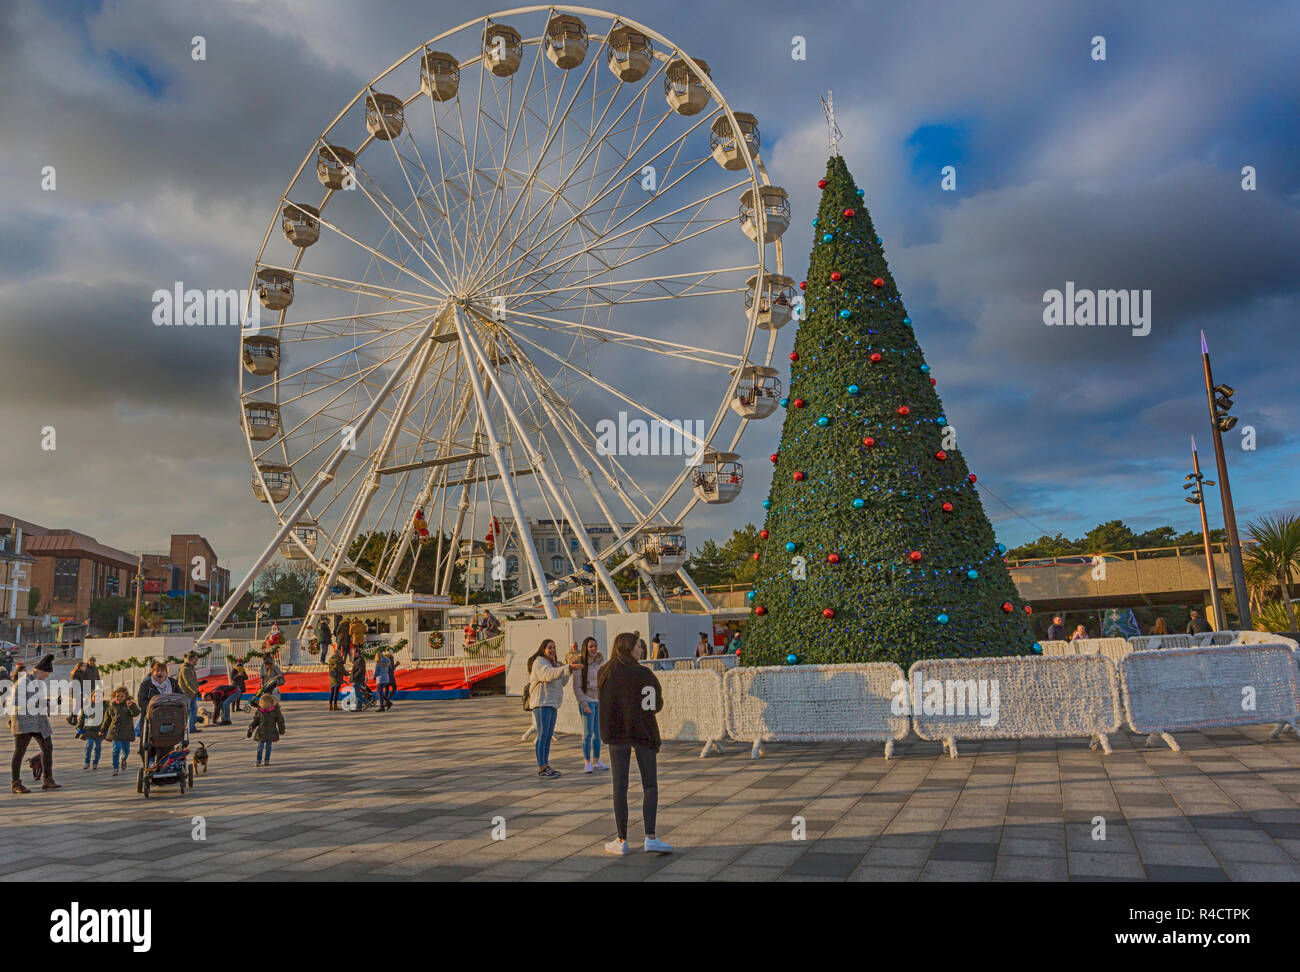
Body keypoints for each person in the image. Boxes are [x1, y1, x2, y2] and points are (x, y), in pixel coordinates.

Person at [598, 634, 672, 856]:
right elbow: (656, 704)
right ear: (629, 648)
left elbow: (604, 705)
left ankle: (621, 840)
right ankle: (650, 837)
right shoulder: (645, 673)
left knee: (619, 786)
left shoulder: (606, 673)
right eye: (639, 647)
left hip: (617, 734)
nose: (642, 650)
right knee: (650, 784)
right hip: (644, 732)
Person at [526, 639, 579, 779]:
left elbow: (562, 682)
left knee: (548, 736)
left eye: (554, 648)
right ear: (543, 649)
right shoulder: (539, 662)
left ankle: (546, 764)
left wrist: (567, 670)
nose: (552, 650)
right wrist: (566, 668)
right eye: (549, 647)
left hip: (552, 703)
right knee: (542, 735)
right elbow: (547, 675)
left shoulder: (553, 664)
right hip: (542, 703)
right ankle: (541, 767)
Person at [10, 653, 59, 793]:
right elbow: (17, 701)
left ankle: (48, 779)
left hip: (38, 722)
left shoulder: (38, 684)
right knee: (19, 751)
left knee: (48, 748)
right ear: (40, 671)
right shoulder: (23, 681)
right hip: (24, 722)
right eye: (47, 674)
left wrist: (48, 702)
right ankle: (16, 783)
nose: (47, 677)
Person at [572, 636, 607, 774]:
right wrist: (583, 703)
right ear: (585, 648)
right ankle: (587, 761)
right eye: (590, 646)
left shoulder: (599, 663)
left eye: (595, 646)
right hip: (587, 700)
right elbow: (576, 687)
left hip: (598, 700)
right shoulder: (579, 664)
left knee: (597, 734)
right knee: (587, 733)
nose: (593, 649)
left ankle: (596, 760)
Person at [98, 687, 139, 776]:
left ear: (126, 697)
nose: (119, 698)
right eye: (117, 696)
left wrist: (131, 706)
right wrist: (102, 730)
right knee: (116, 750)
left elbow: (136, 713)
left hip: (126, 733)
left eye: (122, 696)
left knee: (126, 751)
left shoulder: (129, 705)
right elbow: (107, 720)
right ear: (114, 696)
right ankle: (115, 767)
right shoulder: (111, 707)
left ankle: (124, 760)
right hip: (115, 732)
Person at [136, 661, 177, 736]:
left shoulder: (173, 683)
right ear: (153, 673)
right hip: (152, 717)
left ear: (166, 673)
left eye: (162, 671)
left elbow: (180, 696)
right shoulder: (146, 684)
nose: (160, 673)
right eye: (157, 671)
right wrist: (151, 708)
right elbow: (141, 701)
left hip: (169, 715)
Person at [247, 691, 285, 767]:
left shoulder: (275, 711)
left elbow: (280, 721)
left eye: (265, 704)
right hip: (261, 733)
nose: (263, 705)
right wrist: (251, 727)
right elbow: (256, 721)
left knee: (268, 748)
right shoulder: (259, 711)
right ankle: (258, 760)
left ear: (270, 704)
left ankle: (266, 760)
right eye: (262, 704)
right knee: (260, 747)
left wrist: (281, 730)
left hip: (271, 732)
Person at [76, 689, 103, 771]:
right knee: (89, 745)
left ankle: (95, 763)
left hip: (99, 731)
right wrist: (79, 728)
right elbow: (81, 719)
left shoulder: (105, 708)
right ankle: (87, 762)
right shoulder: (87, 708)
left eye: (99, 696)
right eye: (95, 696)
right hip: (89, 731)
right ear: (92, 697)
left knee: (98, 748)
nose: (97, 698)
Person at [178, 650, 202, 734]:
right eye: (195, 659)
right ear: (191, 659)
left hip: (192, 693)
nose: (196, 661)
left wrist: (199, 684)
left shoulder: (190, 668)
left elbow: (192, 681)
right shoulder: (185, 669)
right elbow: (188, 683)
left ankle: (191, 727)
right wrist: (196, 691)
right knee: (187, 711)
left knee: (193, 710)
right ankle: (186, 727)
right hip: (186, 694)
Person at [327, 646, 346, 711]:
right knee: (336, 692)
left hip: (332, 677)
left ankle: (330, 705)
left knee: (332, 692)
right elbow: (341, 669)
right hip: (337, 678)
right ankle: (335, 706)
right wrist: (348, 674)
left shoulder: (330, 660)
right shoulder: (338, 661)